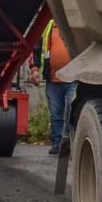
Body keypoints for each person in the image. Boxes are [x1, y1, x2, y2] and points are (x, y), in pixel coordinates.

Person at [32, 20, 75, 154]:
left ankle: (69, 141)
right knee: (56, 114)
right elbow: (37, 48)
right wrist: (34, 69)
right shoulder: (48, 26)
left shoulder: (73, 24)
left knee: (70, 109)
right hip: (52, 79)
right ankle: (57, 143)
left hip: (72, 78)